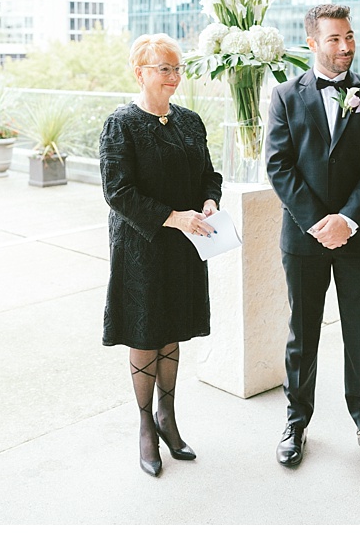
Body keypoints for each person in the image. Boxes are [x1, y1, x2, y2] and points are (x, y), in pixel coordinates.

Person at [265, 4, 360, 471]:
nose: (345, 46)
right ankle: (296, 423)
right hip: (304, 239)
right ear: (313, 44)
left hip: (359, 237)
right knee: (303, 335)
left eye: (350, 36)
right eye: (335, 39)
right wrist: (320, 222)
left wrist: (349, 220)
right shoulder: (283, 96)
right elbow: (279, 165)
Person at [100, 34, 222, 478]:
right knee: (146, 331)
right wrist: (174, 216)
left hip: (186, 242)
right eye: (164, 69)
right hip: (142, 246)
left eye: (177, 68)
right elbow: (118, 193)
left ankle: (168, 417)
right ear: (140, 72)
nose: (174, 77)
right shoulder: (122, 123)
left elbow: (209, 174)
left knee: (171, 328)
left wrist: (210, 201)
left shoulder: (190, 121)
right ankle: (145, 424)